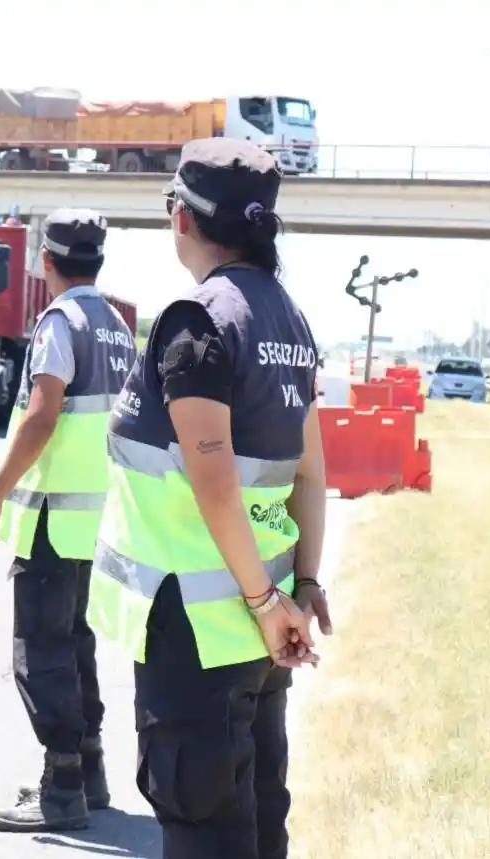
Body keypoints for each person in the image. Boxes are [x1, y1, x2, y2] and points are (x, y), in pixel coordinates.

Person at [86, 138, 334, 859]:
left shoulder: (198, 321)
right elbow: (312, 474)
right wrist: (301, 585)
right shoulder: (289, 323)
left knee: (205, 832)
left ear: (183, 220)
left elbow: (213, 475)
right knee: (252, 830)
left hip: (201, 629)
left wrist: (264, 603)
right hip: (260, 630)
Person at [0, 207, 137, 833]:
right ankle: (88, 774)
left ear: (46, 261)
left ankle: (61, 788)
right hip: (97, 520)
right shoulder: (117, 326)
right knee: (75, 644)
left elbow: (42, 416)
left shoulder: (59, 322)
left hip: (52, 517)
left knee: (41, 650)